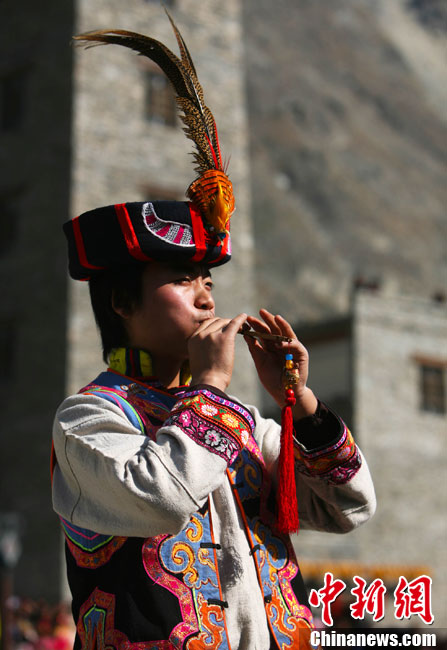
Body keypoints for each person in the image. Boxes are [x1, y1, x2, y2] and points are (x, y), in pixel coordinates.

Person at [51, 15, 376, 650]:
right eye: (182, 280)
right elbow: (160, 497)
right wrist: (212, 387)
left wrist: (300, 404)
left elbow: (350, 507)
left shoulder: (245, 423)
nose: (206, 296)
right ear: (122, 301)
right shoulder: (88, 420)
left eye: (208, 279)